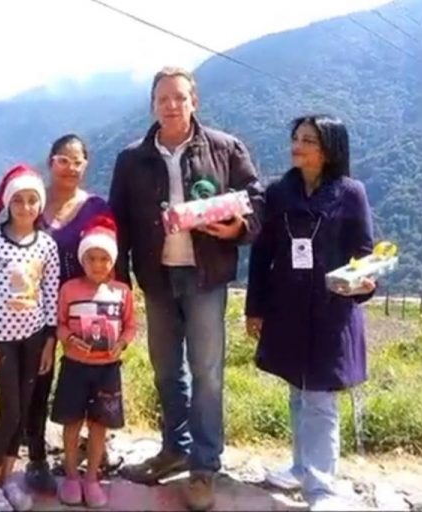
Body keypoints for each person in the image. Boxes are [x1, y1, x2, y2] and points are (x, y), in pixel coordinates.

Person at [108, 66, 264, 509]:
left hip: (205, 277)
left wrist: (239, 227)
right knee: (165, 370)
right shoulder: (132, 158)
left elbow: (256, 199)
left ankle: (204, 465)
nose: (171, 105)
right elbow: (118, 221)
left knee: (207, 372)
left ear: (194, 101)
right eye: (163, 99)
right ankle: (173, 449)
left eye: (179, 97)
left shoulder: (225, 147)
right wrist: (119, 280)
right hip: (156, 277)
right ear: (153, 106)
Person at [244, 115, 376, 511]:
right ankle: (301, 467)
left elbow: (365, 254)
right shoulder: (280, 192)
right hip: (287, 307)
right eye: (296, 138)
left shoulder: (350, 193)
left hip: (332, 310)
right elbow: (262, 253)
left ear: (329, 150)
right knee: (299, 391)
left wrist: (365, 283)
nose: (297, 146)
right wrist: (255, 308)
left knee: (320, 398)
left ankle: (321, 487)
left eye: (308, 140)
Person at [24, 134, 111, 494]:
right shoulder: (31, 201)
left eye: (78, 161)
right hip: (33, 310)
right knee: (36, 382)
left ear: (86, 165)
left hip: (85, 311)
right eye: (63, 160)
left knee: (89, 380)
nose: (70, 167)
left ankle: (93, 454)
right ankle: (36, 456)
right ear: (51, 161)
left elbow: (110, 254)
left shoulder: (96, 207)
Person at [0, 164, 61, 512]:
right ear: (8, 203)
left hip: (34, 338)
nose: (26, 207)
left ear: (41, 204)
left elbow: (50, 293)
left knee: (23, 412)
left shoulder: (47, 245)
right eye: (19, 200)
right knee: (8, 411)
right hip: (1, 341)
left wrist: (50, 340)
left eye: (32, 200)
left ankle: (8, 479)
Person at [51, 214, 137, 508]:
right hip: (74, 367)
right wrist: (69, 339)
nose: (97, 265)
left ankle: (92, 478)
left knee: (100, 424)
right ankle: (71, 476)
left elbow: (131, 326)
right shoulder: (69, 289)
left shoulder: (122, 292)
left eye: (104, 259)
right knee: (72, 421)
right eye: (91, 258)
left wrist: (121, 343)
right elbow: (60, 324)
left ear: (113, 261)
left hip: (107, 369)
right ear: (82, 259)